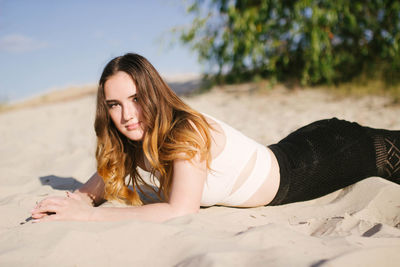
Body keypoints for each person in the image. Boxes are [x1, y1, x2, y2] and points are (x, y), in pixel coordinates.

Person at [31, 53, 400, 222]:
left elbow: (180, 211)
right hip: (292, 148)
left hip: (322, 157)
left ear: (154, 94)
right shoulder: (130, 142)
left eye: (136, 99)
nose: (127, 115)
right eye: (114, 104)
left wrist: (86, 218)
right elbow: (99, 183)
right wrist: (76, 200)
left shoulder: (183, 131)